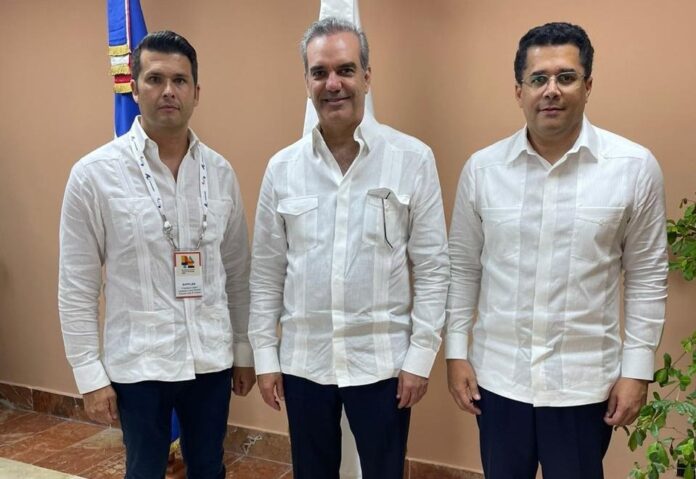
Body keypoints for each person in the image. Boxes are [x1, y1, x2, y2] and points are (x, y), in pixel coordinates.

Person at [445, 22, 668, 479]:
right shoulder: (483, 171)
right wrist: (455, 351)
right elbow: (463, 268)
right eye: (538, 79)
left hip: (583, 386)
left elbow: (647, 275)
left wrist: (637, 369)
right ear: (519, 91)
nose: (551, 90)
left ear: (588, 86)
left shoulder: (633, 168)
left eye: (566, 77)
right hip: (499, 381)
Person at [248, 17, 449, 479]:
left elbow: (433, 267)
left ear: (367, 77)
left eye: (345, 70)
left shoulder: (412, 159)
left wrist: (420, 358)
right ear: (307, 82)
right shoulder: (282, 168)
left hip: (383, 364)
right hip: (304, 363)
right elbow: (266, 271)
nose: (333, 83)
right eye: (320, 72)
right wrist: (265, 356)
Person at [58, 30, 255, 478]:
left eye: (180, 80)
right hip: (139, 365)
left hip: (210, 358)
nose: (169, 91)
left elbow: (237, 271)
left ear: (196, 93)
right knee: (144, 470)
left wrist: (243, 349)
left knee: (209, 467)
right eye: (155, 79)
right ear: (134, 87)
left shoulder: (220, 172)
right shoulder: (94, 176)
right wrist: (89, 374)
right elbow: (76, 285)